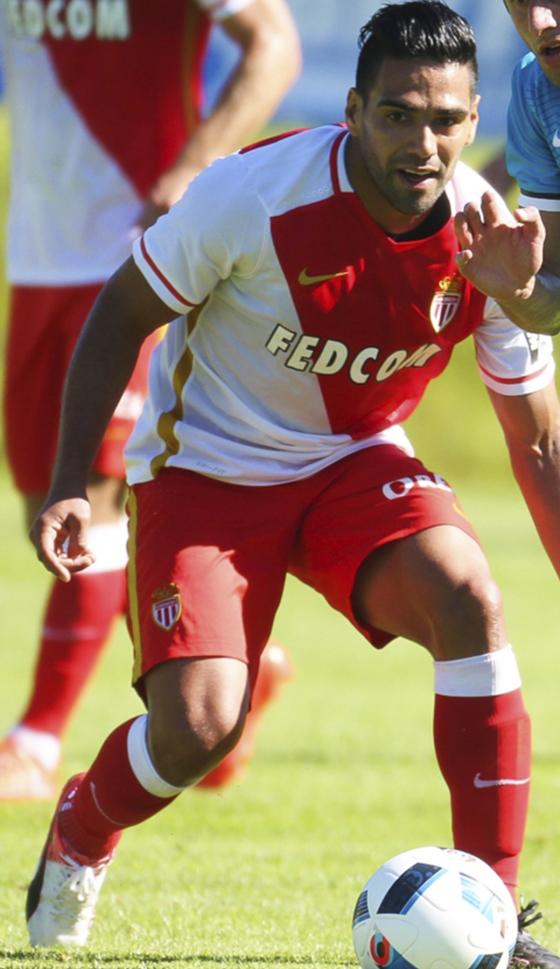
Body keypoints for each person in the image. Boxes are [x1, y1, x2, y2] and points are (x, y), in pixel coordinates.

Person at [25, 1, 560, 961]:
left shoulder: (490, 243)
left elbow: (539, 442)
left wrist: (519, 293)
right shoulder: (253, 194)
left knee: (471, 598)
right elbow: (122, 310)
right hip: (207, 469)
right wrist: (71, 478)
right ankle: (82, 825)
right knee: (198, 729)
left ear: (475, 119)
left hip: (354, 462)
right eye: (397, 115)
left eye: (445, 120)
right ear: (351, 111)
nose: (423, 144)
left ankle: (494, 910)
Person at [0, 0, 301, 800]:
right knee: (50, 506)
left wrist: (194, 168)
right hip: (36, 257)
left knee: (95, 501)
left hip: (141, 262)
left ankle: (34, 740)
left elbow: (275, 45)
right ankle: (230, 682)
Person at [454, 0, 560, 335]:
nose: (538, 21)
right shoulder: (534, 87)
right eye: (518, 2)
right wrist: (522, 292)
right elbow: (553, 309)